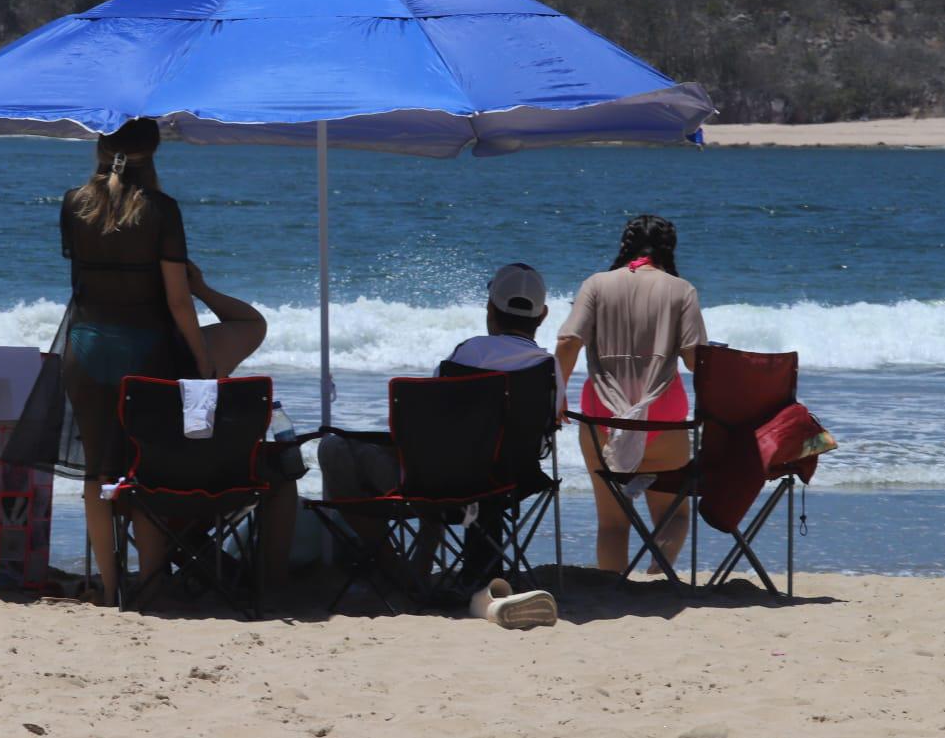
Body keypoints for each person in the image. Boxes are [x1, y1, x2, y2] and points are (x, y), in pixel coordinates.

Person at [46, 117, 274, 603]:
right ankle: (150, 583)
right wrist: (199, 362)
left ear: (101, 147)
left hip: (85, 346)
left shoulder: (73, 203)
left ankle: (110, 588)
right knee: (144, 469)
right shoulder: (162, 210)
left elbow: (83, 283)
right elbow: (177, 301)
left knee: (96, 473)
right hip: (145, 349)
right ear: (154, 153)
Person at [317, 264, 562, 616]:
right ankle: (419, 569)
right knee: (449, 467)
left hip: (443, 485)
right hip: (511, 482)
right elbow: (546, 433)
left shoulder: (463, 356)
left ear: (490, 309)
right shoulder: (548, 368)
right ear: (543, 314)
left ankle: (395, 568)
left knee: (334, 450)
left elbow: (433, 428)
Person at [554, 214, 707, 575]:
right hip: (663, 415)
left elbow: (567, 341)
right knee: (674, 515)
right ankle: (657, 579)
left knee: (612, 523)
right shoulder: (681, 290)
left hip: (602, 416)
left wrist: (557, 396)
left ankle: (614, 592)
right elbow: (695, 358)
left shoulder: (597, 284)